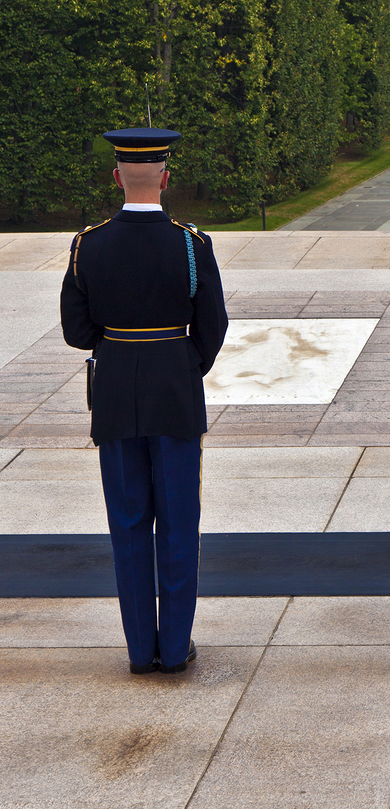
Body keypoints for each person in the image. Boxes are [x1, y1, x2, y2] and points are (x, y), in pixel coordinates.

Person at [60, 128, 228, 675]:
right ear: (165, 176)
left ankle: (139, 651)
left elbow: (77, 331)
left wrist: (122, 347)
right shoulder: (189, 242)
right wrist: (181, 365)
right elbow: (213, 325)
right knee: (177, 520)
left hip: (113, 394)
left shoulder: (89, 243)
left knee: (128, 522)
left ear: (116, 177)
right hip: (175, 392)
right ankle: (174, 650)